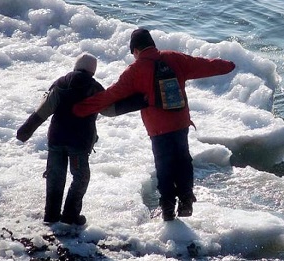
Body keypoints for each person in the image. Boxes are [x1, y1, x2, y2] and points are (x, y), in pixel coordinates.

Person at [73, 28, 236, 221]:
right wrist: (228, 65)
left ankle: (167, 208)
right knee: (183, 159)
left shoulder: (135, 70)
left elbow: (110, 95)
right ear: (152, 44)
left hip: (158, 128)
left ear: (135, 50)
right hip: (180, 122)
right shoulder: (174, 58)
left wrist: (80, 108)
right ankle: (186, 200)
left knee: (164, 165)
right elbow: (204, 65)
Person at [16, 53, 147, 225]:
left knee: (55, 176)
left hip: (56, 140)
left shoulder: (60, 84)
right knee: (81, 178)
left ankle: (51, 215)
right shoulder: (94, 88)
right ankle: (70, 215)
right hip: (79, 143)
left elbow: (42, 111)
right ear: (93, 71)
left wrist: (25, 131)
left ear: (76, 66)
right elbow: (109, 110)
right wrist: (140, 101)